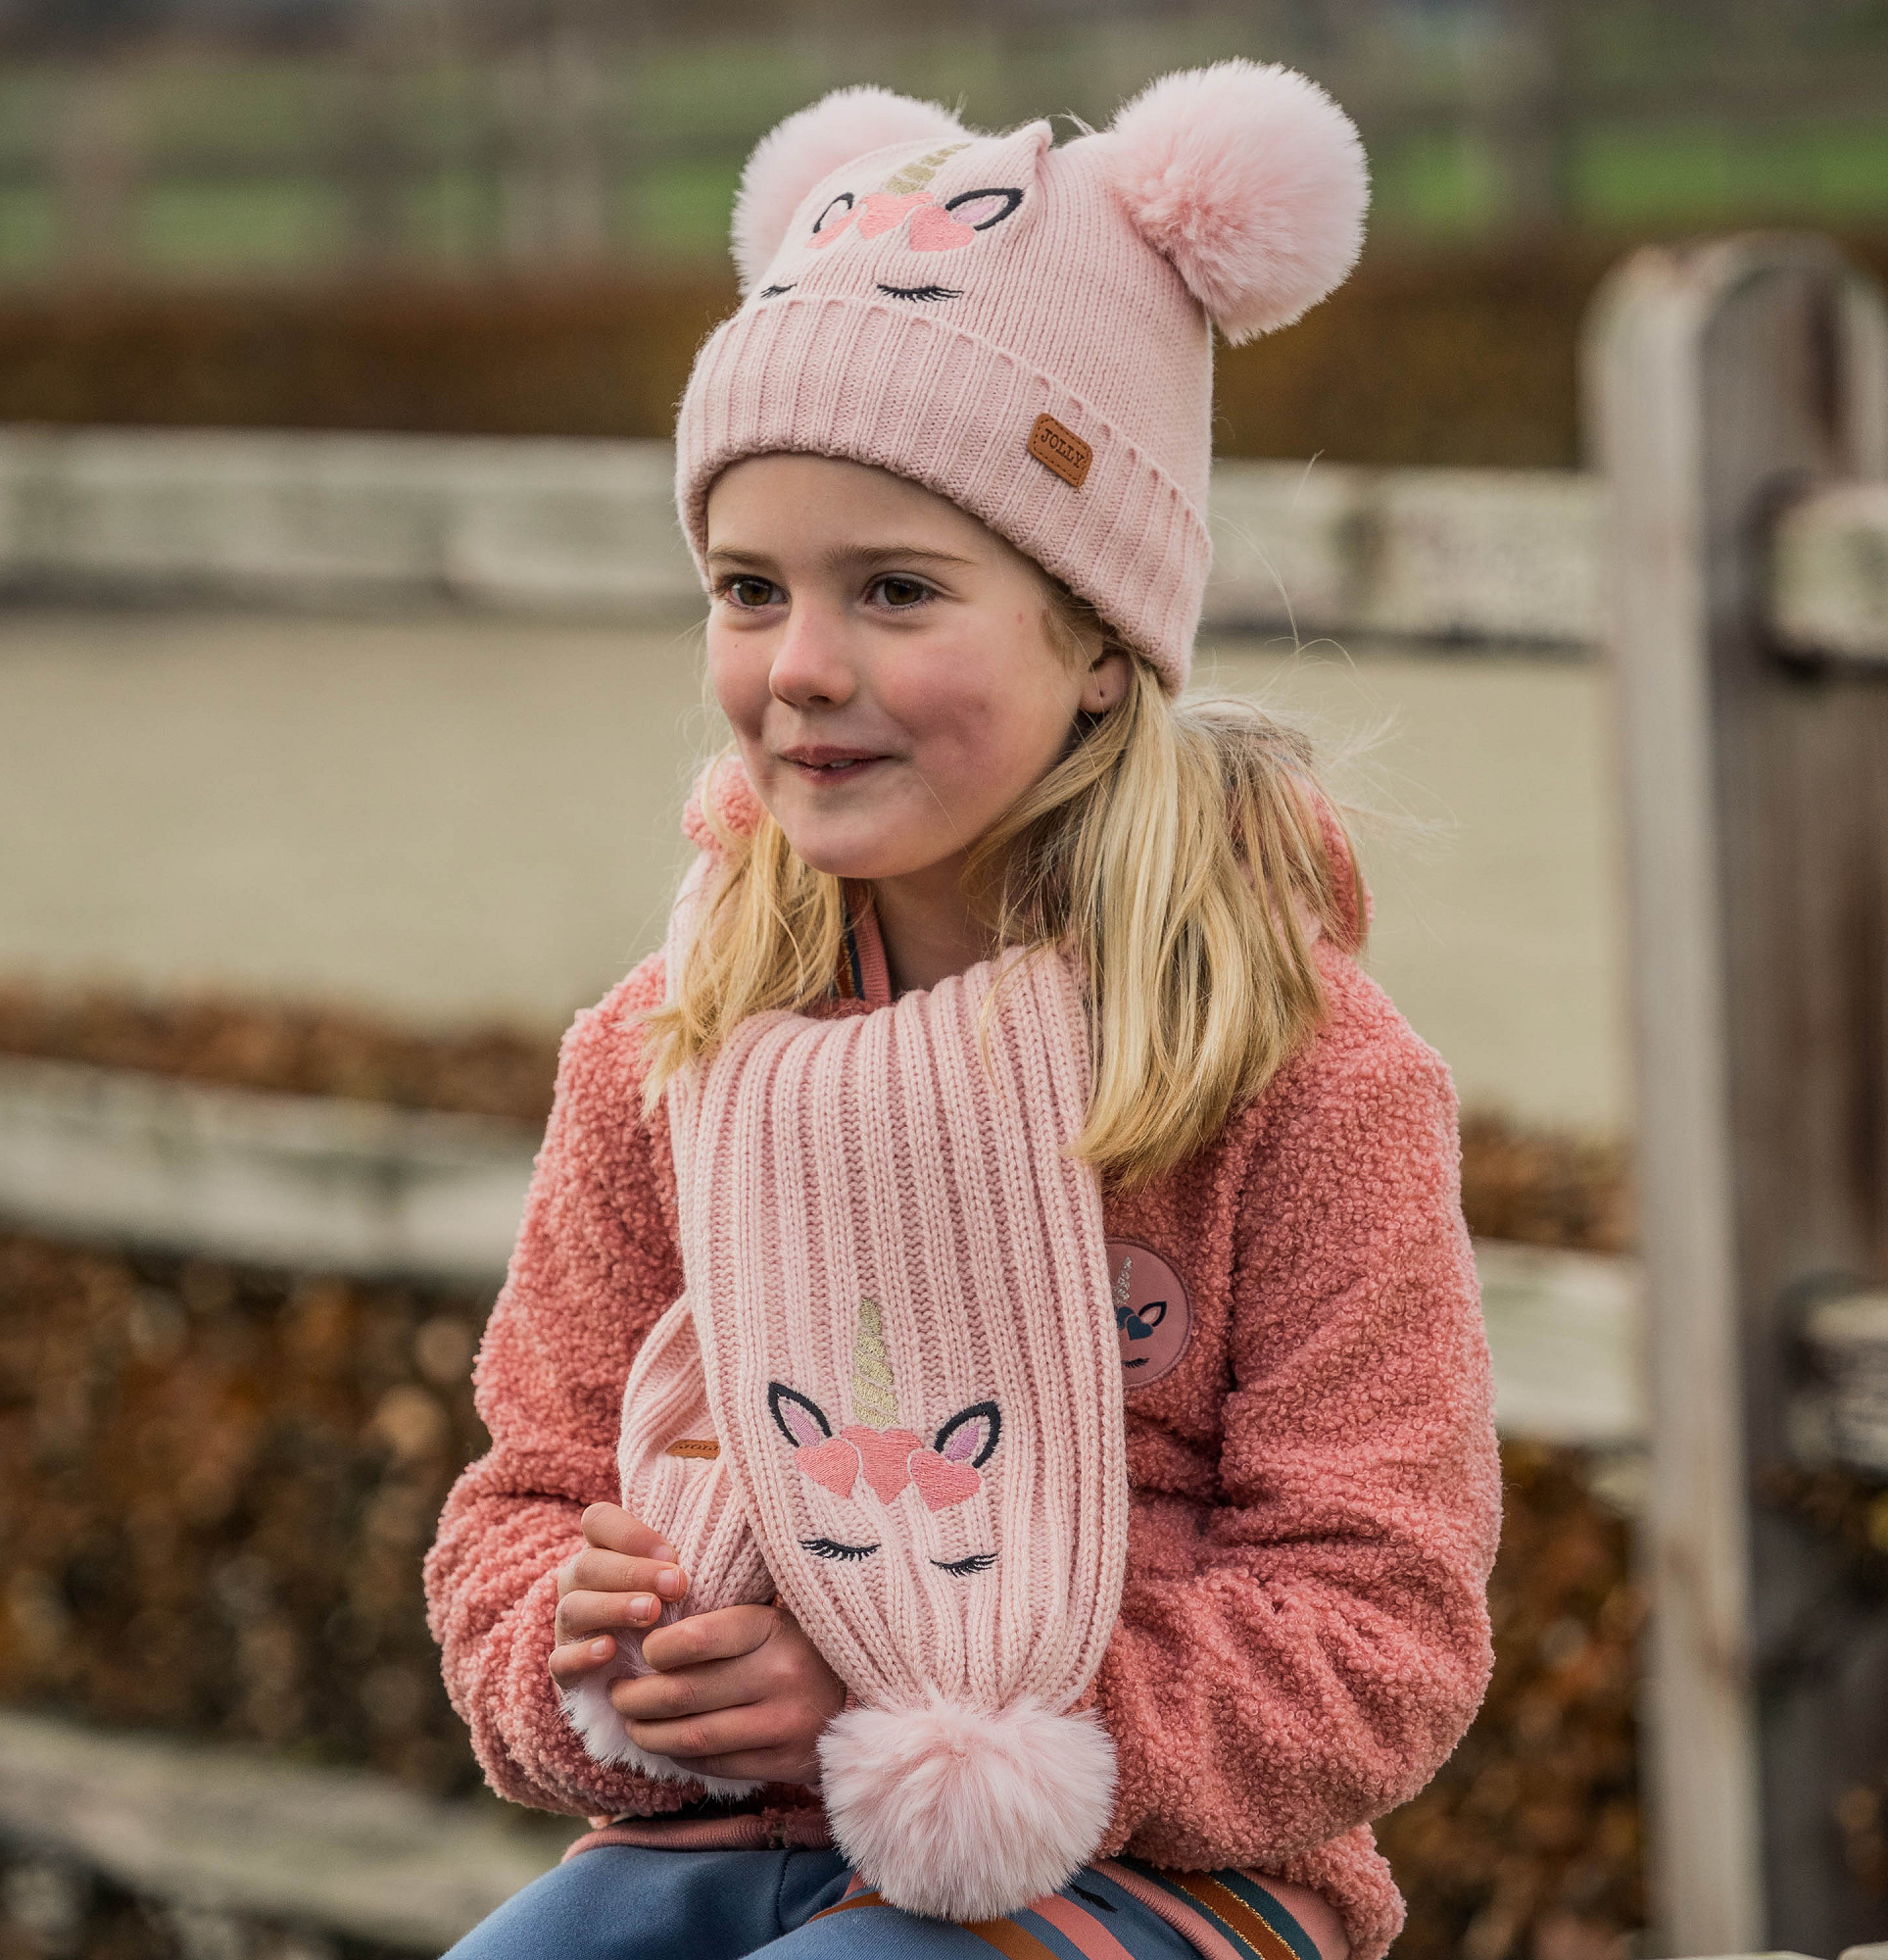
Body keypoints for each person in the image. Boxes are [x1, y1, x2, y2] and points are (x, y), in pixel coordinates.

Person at [425, 59, 1500, 1960]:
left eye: (898, 589)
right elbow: (526, 1500)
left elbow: (1380, 1624)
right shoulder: (667, 1052)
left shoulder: (1295, 1075)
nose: (801, 665)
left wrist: (900, 1699)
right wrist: (586, 1654)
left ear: (1096, 639)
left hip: (1166, 1868)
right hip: (714, 1839)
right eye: (748, 587)